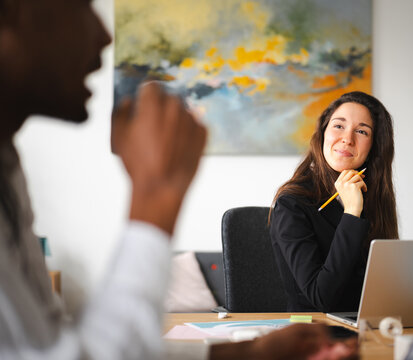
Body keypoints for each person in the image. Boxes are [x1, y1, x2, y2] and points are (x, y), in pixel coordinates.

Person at [0, 0, 357, 359]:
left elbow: (62, 348)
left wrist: (255, 352)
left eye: (363, 131)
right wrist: (157, 194)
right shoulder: (294, 202)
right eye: (80, 6)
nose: (105, 35)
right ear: (12, 11)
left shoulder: (8, 169)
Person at [270, 91, 413, 313]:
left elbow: (380, 284)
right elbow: (321, 298)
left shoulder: (371, 196)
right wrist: (351, 214)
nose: (348, 139)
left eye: (361, 131)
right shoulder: (292, 203)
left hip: (366, 325)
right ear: (323, 134)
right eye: (338, 126)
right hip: (314, 331)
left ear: (373, 148)